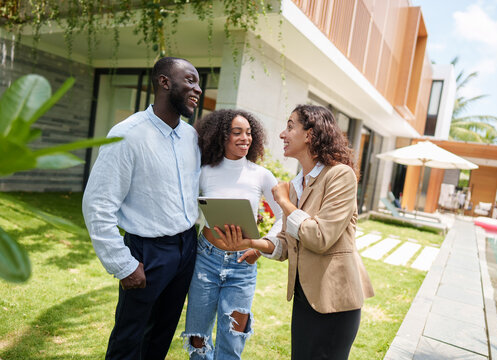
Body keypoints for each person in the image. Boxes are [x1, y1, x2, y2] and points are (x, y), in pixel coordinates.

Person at [218, 104, 375, 360]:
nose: (282, 134)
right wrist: (253, 243)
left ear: (310, 134)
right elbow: (287, 244)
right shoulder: (296, 184)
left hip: (334, 301)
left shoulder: (340, 176)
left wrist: (285, 203)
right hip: (305, 297)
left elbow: (320, 237)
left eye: (290, 126)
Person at [82, 57, 202, 360]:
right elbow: (98, 205)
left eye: (198, 82)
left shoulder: (191, 136)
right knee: (129, 338)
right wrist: (122, 264)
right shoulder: (128, 134)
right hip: (147, 253)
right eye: (190, 80)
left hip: (187, 247)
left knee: (161, 335)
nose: (197, 89)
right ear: (164, 82)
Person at [181, 109, 283, 359]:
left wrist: (262, 246)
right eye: (237, 132)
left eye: (249, 133)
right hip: (206, 260)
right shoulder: (204, 172)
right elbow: (185, 210)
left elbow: (285, 216)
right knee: (198, 337)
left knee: (233, 339)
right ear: (221, 136)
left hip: (242, 267)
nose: (245, 138)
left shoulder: (260, 175)